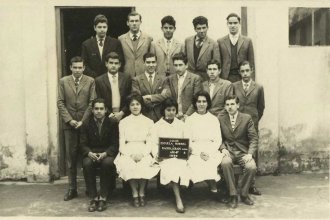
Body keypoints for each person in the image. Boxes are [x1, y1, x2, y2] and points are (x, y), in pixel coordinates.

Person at [57, 56, 96, 201]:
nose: (78, 70)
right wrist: (70, 120)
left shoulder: (90, 81)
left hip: (85, 125)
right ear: (71, 68)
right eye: (75, 67)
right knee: (71, 158)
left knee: (86, 156)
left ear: (84, 68)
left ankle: (89, 187)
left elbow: (92, 102)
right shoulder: (63, 81)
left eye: (80, 67)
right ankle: (72, 188)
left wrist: (83, 121)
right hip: (70, 125)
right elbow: (60, 102)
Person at [114, 93, 159, 207]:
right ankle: (134, 193)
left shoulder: (149, 121)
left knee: (145, 164)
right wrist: (130, 155)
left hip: (143, 149)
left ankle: (142, 192)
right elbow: (121, 142)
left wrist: (143, 154)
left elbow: (150, 141)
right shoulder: (123, 122)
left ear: (141, 106)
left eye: (137, 104)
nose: (135, 107)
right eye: (132, 104)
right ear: (128, 107)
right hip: (128, 150)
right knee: (128, 165)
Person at [150, 98, 190, 213]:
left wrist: (186, 150)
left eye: (173, 110)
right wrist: (157, 154)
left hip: (180, 156)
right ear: (163, 111)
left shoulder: (182, 125)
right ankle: (178, 198)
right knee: (171, 165)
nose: (171, 112)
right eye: (168, 110)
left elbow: (187, 141)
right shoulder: (157, 126)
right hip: (165, 158)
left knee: (180, 164)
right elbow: (153, 143)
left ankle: (179, 192)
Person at [218, 95, 258, 208]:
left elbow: (254, 138)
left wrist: (250, 154)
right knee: (225, 163)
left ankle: (244, 194)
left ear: (238, 105)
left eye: (232, 104)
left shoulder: (246, 118)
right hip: (228, 151)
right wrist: (223, 148)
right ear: (225, 107)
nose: (230, 107)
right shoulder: (221, 119)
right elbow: (218, 137)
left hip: (243, 152)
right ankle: (233, 194)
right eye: (227, 104)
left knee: (251, 167)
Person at [80, 98, 118, 212]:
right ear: (92, 110)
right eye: (96, 108)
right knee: (87, 163)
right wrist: (88, 153)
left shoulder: (112, 123)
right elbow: (82, 143)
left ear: (106, 110)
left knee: (107, 163)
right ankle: (93, 197)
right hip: (91, 152)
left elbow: (115, 143)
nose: (99, 111)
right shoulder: (86, 123)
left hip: (107, 153)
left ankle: (103, 197)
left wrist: (106, 153)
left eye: (101, 109)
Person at [232, 60, 265, 195]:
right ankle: (234, 183)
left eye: (247, 70)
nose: (245, 74)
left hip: (252, 124)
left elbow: (261, 107)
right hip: (237, 124)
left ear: (251, 71)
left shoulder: (258, 87)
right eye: (242, 71)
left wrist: (253, 121)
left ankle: (251, 185)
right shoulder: (234, 86)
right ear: (239, 72)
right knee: (237, 150)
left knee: (252, 153)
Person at [185, 91, 223, 197]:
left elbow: (217, 140)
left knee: (210, 162)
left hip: (211, 150)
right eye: (199, 101)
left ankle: (214, 189)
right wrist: (199, 153)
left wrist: (209, 152)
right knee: (195, 162)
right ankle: (191, 186)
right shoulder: (189, 120)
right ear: (195, 103)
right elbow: (188, 140)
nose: (201, 104)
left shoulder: (214, 119)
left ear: (208, 103)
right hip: (195, 150)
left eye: (204, 101)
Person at [131, 53, 171, 122]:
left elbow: (167, 95)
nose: (151, 65)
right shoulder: (136, 80)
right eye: (148, 62)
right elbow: (138, 98)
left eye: (153, 62)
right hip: (144, 115)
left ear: (156, 63)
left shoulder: (163, 79)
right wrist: (159, 98)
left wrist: (150, 97)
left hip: (160, 116)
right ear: (144, 63)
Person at [217, 13, 255, 83]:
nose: (233, 25)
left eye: (235, 23)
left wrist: (251, 81)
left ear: (239, 24)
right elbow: (218, 63)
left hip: (242, 77)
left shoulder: (247, 41)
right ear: (227, 24)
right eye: (230, 23)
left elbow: (251, 63)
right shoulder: (220, 41)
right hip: (226, 77)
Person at [166, 52, 203, 121]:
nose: (178, 68)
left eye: (180, 65)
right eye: (176, 65)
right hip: (174, 116)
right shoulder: (170, 79)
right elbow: (169, 98)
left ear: (186, 65)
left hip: (190, 116)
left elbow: (196, 100)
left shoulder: (195, 78)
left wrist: (186, 116)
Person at [184, 16, 220, 81]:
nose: (202, 31)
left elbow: (216, 64)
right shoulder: (188, 41)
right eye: (199, 28)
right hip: (189, 78)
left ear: (207, 28)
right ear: (195, 29)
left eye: (204, 28)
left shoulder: (213, 44)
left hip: (205, 79)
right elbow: (184, 60)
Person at [119, 12, 153, 77]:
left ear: (140, 22)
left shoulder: (148, 39)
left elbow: (151, 59)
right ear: (127, 23)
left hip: (143, 75)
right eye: (132, 21)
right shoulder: (121, 39)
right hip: (126, 75)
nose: (134, 23)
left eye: (136, 21)